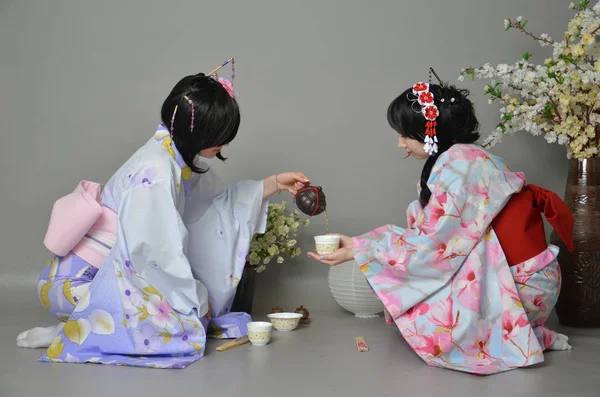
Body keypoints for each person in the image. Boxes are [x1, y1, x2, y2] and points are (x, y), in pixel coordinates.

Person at [16, 68, 310, 369]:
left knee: (188, 310)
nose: (225, 143)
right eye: (220, 135)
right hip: (78, 283)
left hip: (106, 270)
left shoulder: (172, 153)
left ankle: (82, 326)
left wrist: (273, 183)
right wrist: (196, 299)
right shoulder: (156, 171)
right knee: (181, 322)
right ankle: (75, 328)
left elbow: (216, 205)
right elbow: (153, 255)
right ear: (197, 131)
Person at [308, 81, 574, 375]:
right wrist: (361, 245)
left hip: (520, 284)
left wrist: (361, 248)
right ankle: (530, 333)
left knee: (436, 324)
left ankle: (526, 334)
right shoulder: (464, 159)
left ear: (429, 132)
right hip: (521, 275)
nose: (400, 143)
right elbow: (439, 235)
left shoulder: (460, 165)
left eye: (405, 135)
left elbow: (434, 247)